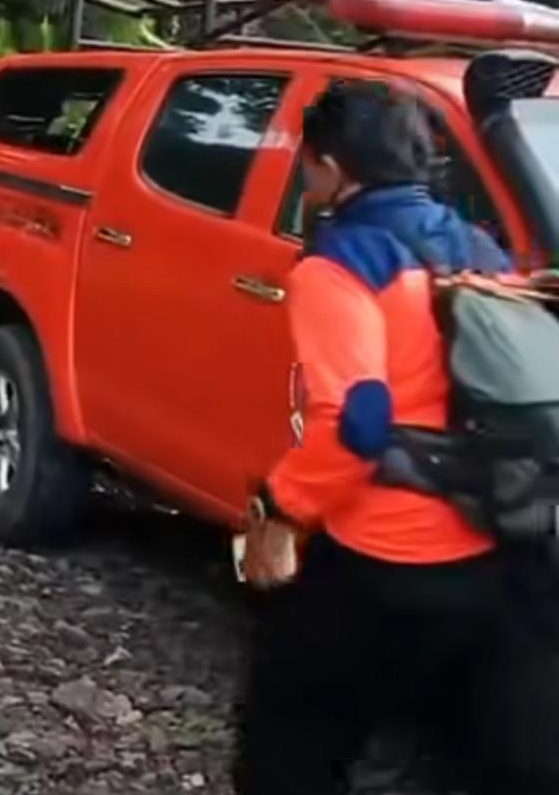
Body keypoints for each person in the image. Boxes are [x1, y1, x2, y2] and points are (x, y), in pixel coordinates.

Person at [234, 79, 559, 795]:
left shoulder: (337, 265)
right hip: (501, 549)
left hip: (390, 558)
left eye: (308, 159)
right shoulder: (481, 250)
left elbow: (359, 422)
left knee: (287, 735)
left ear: (333, 168)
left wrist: (279, 509)